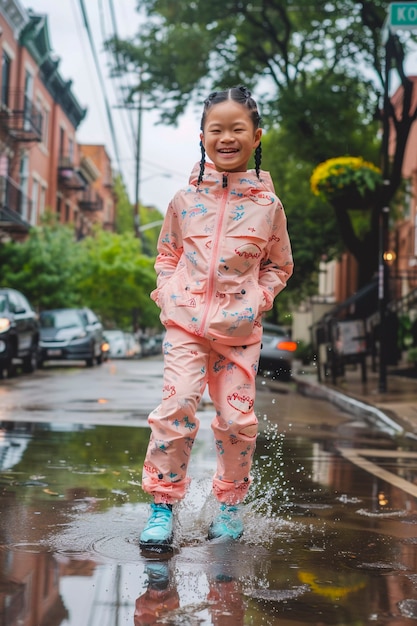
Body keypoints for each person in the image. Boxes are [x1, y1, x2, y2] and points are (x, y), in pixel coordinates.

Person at [139, 85, 293, 553]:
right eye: (216, 129)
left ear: (256, 135)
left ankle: (228, 507)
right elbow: (167, 254)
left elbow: (279, 265)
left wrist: (258, 300)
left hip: (239, 333)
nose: (226, 138)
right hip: (185, 325)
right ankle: (162, 507)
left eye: (237, 129)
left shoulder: (269, 207)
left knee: (236, 420)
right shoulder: (184, 200)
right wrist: (168, 294)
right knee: (177, 405)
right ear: (202, 137)